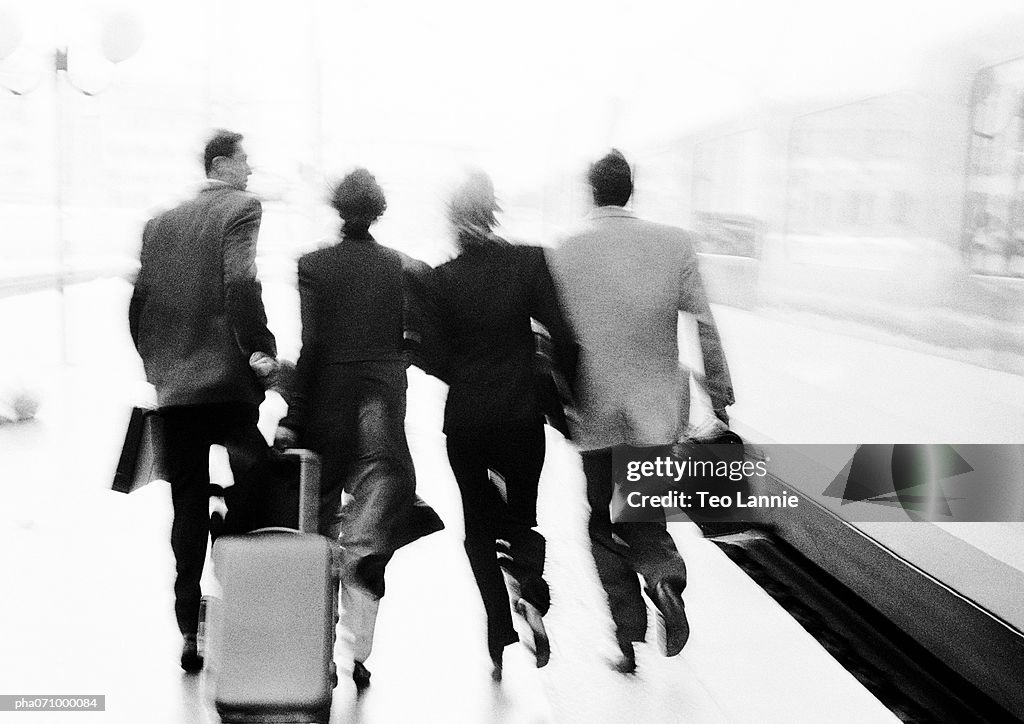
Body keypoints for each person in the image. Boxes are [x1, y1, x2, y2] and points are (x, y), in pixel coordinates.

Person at [549, 149, 734, 673]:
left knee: (601, 522)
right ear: (630, 191)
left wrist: (556, 400)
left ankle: (626, 635)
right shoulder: (674, 243)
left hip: (593, 409)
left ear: (592, 192)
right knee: (643, 510)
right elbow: (705, 325)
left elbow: (551, 337)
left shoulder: (566, 250)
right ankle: (663, 577)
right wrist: (719, 394)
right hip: (656, 409)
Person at [274, 168, 444, 690]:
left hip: (326, 414)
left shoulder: (313, 267)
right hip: (381, 414)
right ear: (379, 211)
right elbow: (416, 343)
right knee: (370, 536)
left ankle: (319, 653)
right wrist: (391, 368)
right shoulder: (402, 268)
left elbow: (312, 348)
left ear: (338, 208)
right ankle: (361, 654)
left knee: (320, 531)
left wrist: (293, 416)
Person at [128, 129, 281, 673]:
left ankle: (189, 632)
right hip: (225, 384)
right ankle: (238, 567)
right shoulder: (241, 209)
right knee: (259, 473)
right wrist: (261, 349)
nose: (251, 170)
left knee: (186, 502)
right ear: (223, 163)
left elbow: (139, 304)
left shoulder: (159, 224)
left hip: (175, 391)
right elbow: (242, 284)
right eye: (245, 160)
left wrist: (156, 366)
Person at [422, 170, 577, 681]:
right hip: (520, 417)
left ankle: (497, 626)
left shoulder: (441, 281)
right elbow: (564, 336)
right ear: (494, 210)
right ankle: (528, 584)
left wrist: (466, 375)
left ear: (452, 219)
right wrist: (566, 392)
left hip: (467, 421)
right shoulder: (529, 262)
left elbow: (431, 356)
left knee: (477, 528)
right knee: (520, 517)